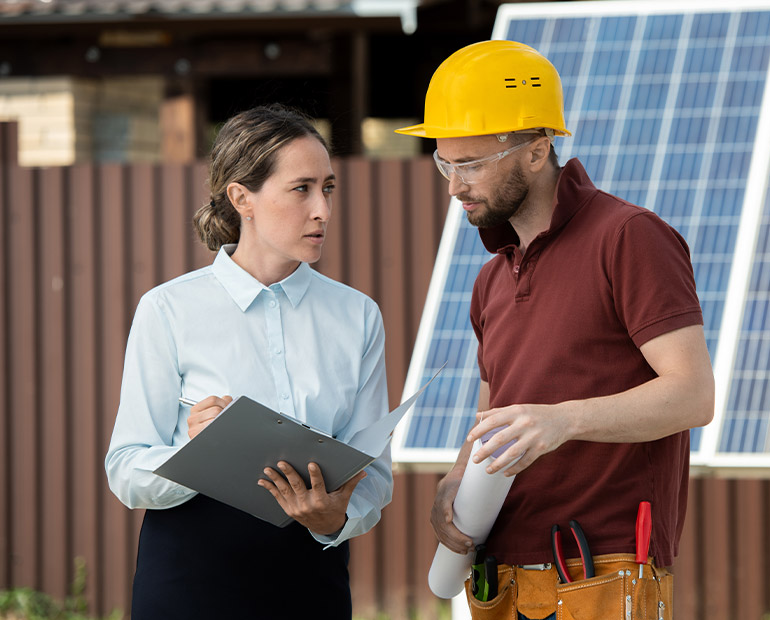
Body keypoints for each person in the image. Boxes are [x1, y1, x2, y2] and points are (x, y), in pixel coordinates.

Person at [396, 41, 715, 620]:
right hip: (500, 575)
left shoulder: (630, 237)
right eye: (445, 163)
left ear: (537, 150)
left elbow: (692, 395)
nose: (453, 186)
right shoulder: (491, 278)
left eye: (469, 164)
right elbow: (495, 414)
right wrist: (456, 477)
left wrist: (563, 419)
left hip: (603, 566)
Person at [105, 103, 392, 620]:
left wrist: (332, 521)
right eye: (301, 188)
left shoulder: (358, 316)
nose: (322, 209)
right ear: (242, 198)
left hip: (312, 584)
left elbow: (374, 477)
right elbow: (126, 470)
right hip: (188, 585)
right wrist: (193, 455)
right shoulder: (169, 309)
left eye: (327, 188)